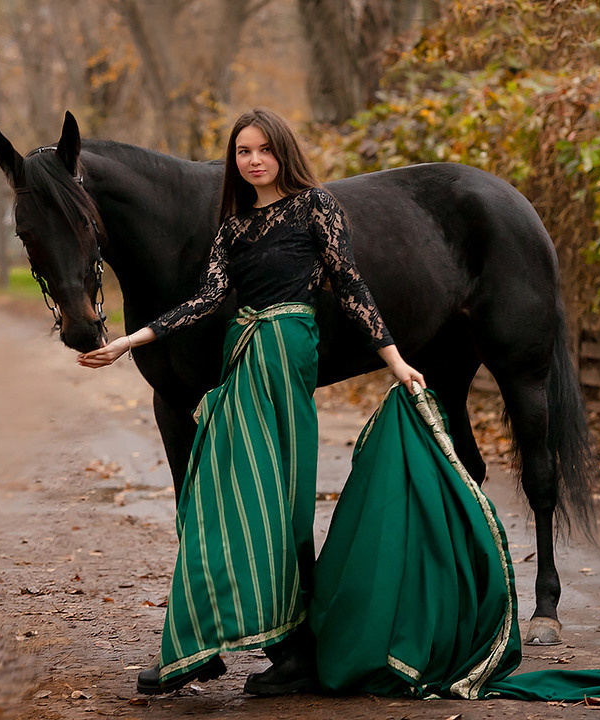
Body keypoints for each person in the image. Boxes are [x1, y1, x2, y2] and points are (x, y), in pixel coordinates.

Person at [77, 108, 425, 696]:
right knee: (210, 499)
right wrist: (128, 342)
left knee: (277, 507)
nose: (254, 160)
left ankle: (294, 653)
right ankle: (195, 647)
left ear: (282, 152)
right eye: (243, 152)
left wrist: (394, 360)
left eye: (263, 149)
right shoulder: (232, 228)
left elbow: (351, 286)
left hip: (286, 361)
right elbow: (208, 300)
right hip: (241, 360)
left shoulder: (316, 208)